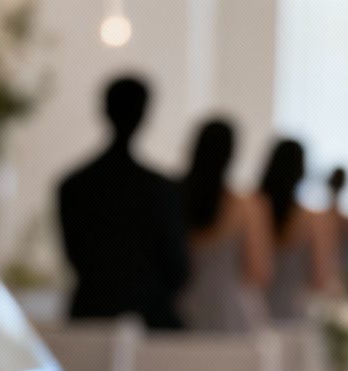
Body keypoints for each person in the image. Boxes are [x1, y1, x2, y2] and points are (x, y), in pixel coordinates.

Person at [57, 76, 189, 329]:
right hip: (150, 320)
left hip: (91, 314)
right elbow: (177, 267)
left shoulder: (73, 185)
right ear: (144, 114)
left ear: (104, 110)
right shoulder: (160, 188)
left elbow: (74, 256)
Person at [176, 118, 271, 332]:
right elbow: (258, 271)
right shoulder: (247, 207)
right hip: (227, 314)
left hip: (179, 309)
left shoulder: (173, 196)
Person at [256, 139, 338, 322]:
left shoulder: (256, 210)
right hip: (291, 315)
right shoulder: (311, 219)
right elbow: (320, 278)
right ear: (301, 172)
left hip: (253, 311)